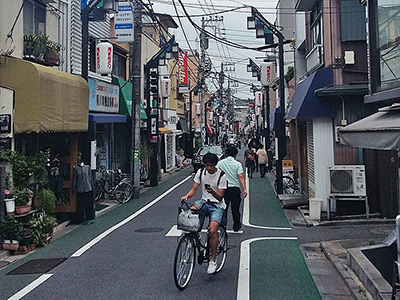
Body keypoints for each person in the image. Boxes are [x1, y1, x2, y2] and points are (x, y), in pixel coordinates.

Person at [181, 153, 228, 274]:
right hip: (203, 202)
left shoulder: (221, 175)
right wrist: (186, 196)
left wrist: (212, 191)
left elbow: (220, 197)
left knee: (212, 230)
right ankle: (195, 236)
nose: (208, 168)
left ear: (215, 165)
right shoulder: (201, 172)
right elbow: (194, 189)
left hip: (217, 205)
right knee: (190, 214)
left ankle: (213, 260)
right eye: (206, 165)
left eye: (210, 166)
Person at [217, 146, 247, 232]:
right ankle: (236, 225)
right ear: (235, 155)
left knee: (223, 207)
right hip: (234, 189)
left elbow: (216, 173)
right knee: (235, 209)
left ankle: (223, 225)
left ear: (226, 154)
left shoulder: (220, 163)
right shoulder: (237, 164)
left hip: (223, 188)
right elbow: (241, 176)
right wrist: (244, 188)